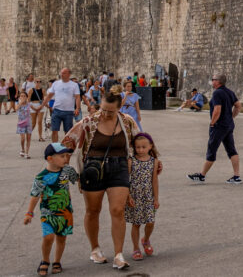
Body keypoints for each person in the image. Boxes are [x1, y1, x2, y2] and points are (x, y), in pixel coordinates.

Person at [63, 85, 140, 270]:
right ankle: (95, 249)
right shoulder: (89, 121)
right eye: (103, 109)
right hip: (93, 168)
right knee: (93, 210)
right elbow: (68, 142)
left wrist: (152, 159)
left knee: (117, 210)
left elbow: (140, 141)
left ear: (119, 107)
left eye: (110, 111)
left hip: (119, 167)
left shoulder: (127, 122)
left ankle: (119, 255)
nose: (105, 114)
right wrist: (58, 167)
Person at [24, 142, 79, 276]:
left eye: (66, 156)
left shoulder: (68, 171)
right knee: (48, 237)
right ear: (50, 158)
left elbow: (78, 180)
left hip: (65, 211)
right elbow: (35, 195)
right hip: (47, 212)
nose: (65, 159)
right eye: (62, 156)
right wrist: (29, 213)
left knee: (61, 238)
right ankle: (45, 260)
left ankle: (57, 261)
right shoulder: (41, 177)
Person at [187, 74, 241, 184]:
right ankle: (237, 176)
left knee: (211, 150)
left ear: (218, 81)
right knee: (231, 150)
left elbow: (217, 110)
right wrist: (231, 117)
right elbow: (238, 105)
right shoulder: (229, 92)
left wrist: (212, 123)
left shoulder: (217, 93)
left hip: (219, 127)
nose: (212, 81)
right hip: (228, 125)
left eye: (213, 79)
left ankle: (202, 176)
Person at [126, 133, 161, 261]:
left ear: (150, 146)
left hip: (148, 197)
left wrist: (156, 198)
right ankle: (136, 248)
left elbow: (154, 181)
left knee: (150, 222)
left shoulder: (154, 161)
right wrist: (128, 196)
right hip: (135, 197)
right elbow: (127, 180)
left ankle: (145, 240)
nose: (140, 150)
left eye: (143, 147)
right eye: (137, 147)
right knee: (136, 224)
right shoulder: (131, 161)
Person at [42, 68, 82, 144]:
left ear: (69, 74)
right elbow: (49, 96)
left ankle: (66, 148)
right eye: (61, 73)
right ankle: (55, 147)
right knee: (54, 130)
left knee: (67, 132)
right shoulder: (56, 84)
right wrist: (42, 105)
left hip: (68, 111)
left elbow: (77, 97)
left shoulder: (74, 85)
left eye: (64, 73)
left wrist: (77, 108)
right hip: (57, 110)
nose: (61, 74)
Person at [18, 90, 34, 158]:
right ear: (19, 97)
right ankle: (22, 149)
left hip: (28, 123)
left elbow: (35, 109)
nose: (23, 97)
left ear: (27, 97)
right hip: (21, 123)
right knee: (23, 139)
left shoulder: (29, 104)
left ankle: (27, 153)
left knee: (28, 138)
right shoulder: (18, 104)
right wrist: (21, 103)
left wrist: (41, 106)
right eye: (21, 96)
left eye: (24, 96)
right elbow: (16, 109)